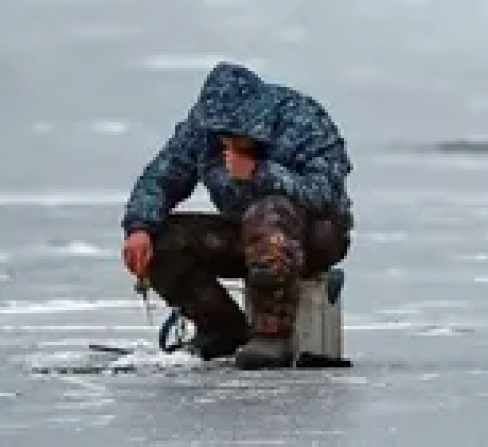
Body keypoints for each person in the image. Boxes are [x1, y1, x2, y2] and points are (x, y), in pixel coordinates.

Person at [120, 62, 354, 370]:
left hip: (315, 235)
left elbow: (326, 192)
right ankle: (222, 329)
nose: (226, 143)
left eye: (234, 135)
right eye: (221, 136)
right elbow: (163, 176)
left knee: (268, 212)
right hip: (248, 234)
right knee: (164, 241)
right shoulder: (203, 131)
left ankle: (272, 335)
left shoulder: (302, 120)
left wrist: (259, 173)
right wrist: (140, 227)